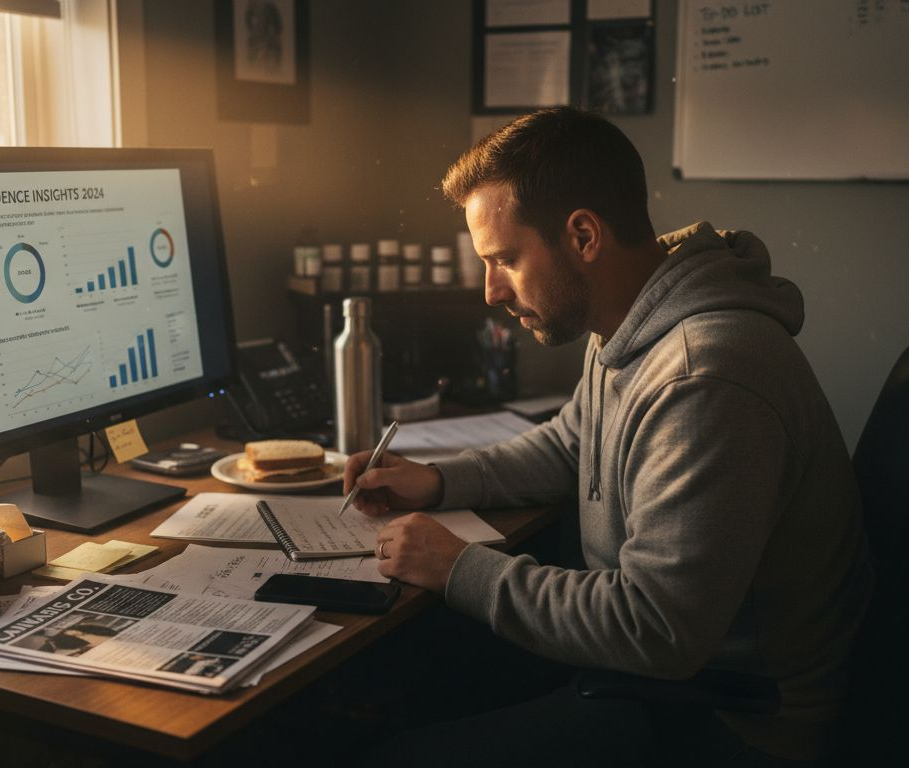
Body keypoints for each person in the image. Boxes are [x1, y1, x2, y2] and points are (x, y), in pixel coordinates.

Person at [344, 107, 873, 766]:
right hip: (664, 678)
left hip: (732, 722)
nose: (490, 292)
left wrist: (456, 567)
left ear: (584, 236)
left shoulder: (703, 376)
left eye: (505, 259)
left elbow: (656, 627)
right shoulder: (632, 316)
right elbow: (574, 443)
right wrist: (438, 479)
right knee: (405, 685)